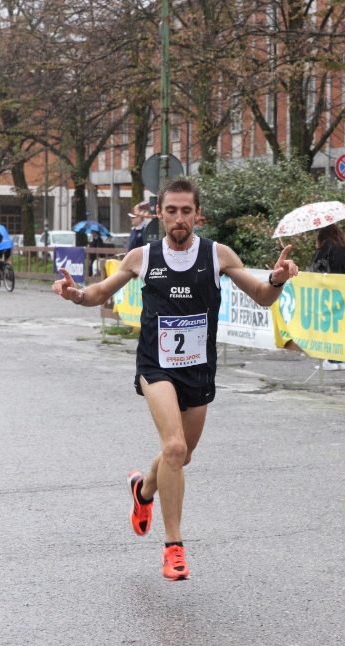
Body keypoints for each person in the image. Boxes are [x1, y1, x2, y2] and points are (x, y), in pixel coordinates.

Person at [52, 178, 298, 581]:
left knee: (180, 456)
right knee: (174, 445)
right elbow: (99, 293)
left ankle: (143, 491)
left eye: (187, 211)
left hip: (198, 368)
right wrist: (76, 294)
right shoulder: (142, 256)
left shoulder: (217, 254)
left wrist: (276, 279)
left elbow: (261, 295)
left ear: (197, 214)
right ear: (160, 214)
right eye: (171, 211)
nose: (179, 219)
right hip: (156, 365)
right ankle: (174, 548)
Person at [306, 223, 345, 370]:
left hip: (326, 291)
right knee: (339, 325)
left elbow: (314, 268)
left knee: (328, 325)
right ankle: (340, 360)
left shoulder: (325, 249)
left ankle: (330, 360)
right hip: (344, 292)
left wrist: (317, 250)